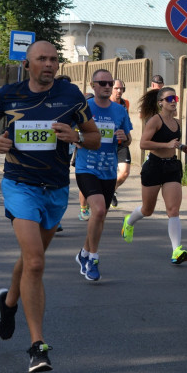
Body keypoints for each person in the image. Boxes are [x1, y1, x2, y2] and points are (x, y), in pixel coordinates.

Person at [0, 40, 100, 373]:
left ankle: (9, 302)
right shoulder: (8, 95)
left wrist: (75, 136)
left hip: (57, 189)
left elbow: (94, 137)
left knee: (31, 259)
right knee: (35, 261)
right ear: (27, 63)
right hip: (20, 185)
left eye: (53, 59)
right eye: (41, 59)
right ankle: (37, 346)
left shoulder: (72, 97)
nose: (48, 64)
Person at [120, 86, 187, 265]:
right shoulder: (155, 120)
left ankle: (176, 250)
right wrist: (167, 145)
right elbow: (143, 143)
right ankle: (129, 221)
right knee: (147, 209)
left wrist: (181, 147)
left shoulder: (177, 123)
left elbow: (172, 143)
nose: (173, 101)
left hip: (172, 167)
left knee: (173, 210)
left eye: (175, 98)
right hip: (154, 166)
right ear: (161, 103)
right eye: (169, 99)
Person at [74, 69, 132, 281]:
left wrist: (123, 137)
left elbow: (128, 140)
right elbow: (71, 135)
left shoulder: (119, 110)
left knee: (100, 216)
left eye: (110, 83)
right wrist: (81, 138)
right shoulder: (84, 109)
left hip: (109, 170)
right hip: (86, 167)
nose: (107, 86)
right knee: (97, 209)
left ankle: (83, 253)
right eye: (103, 83)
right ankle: (93, 259)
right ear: (93, 85)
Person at [110, 79, 133, 209]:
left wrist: (128, 137)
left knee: (124, 172)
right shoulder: (106, 104)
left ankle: (111, 190)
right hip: (107, 143)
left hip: (121, 142)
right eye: (116, 88)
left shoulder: (125, 104)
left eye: (121, 89)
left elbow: (126, 123)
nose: (119, 91)